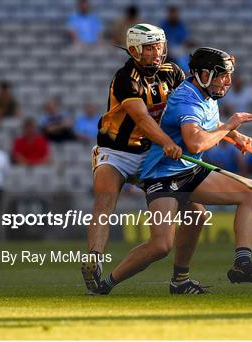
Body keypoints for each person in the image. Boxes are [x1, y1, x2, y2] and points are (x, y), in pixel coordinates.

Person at [94, 47, 252, 296]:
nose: (228, 81)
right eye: (222, 75)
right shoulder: (186, 99)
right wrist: (231, 124)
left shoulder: (207, 95)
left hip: (189, 170)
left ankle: (239, 265)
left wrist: (233, 134)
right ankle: (106, 285)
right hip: (163, 175)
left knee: (250, 194)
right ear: (203, 74)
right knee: (160, 246)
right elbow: (196, 143)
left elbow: (208, 127)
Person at [82, 24, 209, 296]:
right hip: (117, 152)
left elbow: (189, 107)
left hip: (152, 155)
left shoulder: (173, 72)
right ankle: (94, 260)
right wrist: (168, 142)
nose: (157, 53)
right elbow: (140, 118)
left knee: (196, 212)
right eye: (150, 48)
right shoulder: (125, 77)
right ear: (134, 50)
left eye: (159, 46)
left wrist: (230, 133)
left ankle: (181, 279)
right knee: (105, 199)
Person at [160, 6, 192, 71]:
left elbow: (184, 39)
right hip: (166, 48)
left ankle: (186, 71)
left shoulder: (181, 25)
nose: (173, 16)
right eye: (172, 14)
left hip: (179, 49)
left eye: (175, 14)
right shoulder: (164, 25)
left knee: (182, 56)